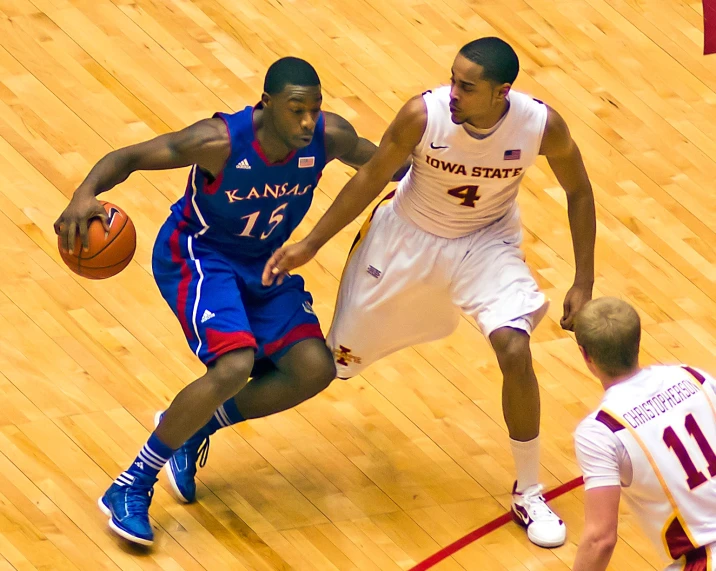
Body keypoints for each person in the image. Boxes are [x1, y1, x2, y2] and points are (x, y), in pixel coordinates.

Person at [54, 57, 406, 546]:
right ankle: (131, 484)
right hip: (200, 255)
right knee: (234, 363)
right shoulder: (218, 142)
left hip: (264, 262)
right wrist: (83, 193)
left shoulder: (331, 137)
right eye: (296, 109)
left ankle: (194, 427)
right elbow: (131, 156)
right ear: (267, 106)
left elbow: (393, 165)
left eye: (314, 109)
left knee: (314, 368)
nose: (307, 121)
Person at [262, 37, 597, 548]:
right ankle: (204, 415)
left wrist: (584, 281)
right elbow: (372, 176)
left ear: (501, 93)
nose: (454, 91)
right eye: (453, 79)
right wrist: (310, 242)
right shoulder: (424, 115)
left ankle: (528, 490)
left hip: (486, 243)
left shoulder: (539, 125)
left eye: (467, 86)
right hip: (406, 241)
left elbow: (579, 191)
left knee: (513, 345)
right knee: (331, 366)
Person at [572, 297, 716, 571]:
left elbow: (600, 539)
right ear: (637, 341)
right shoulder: (692, 377)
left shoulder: (600, 431)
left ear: (585, 354)